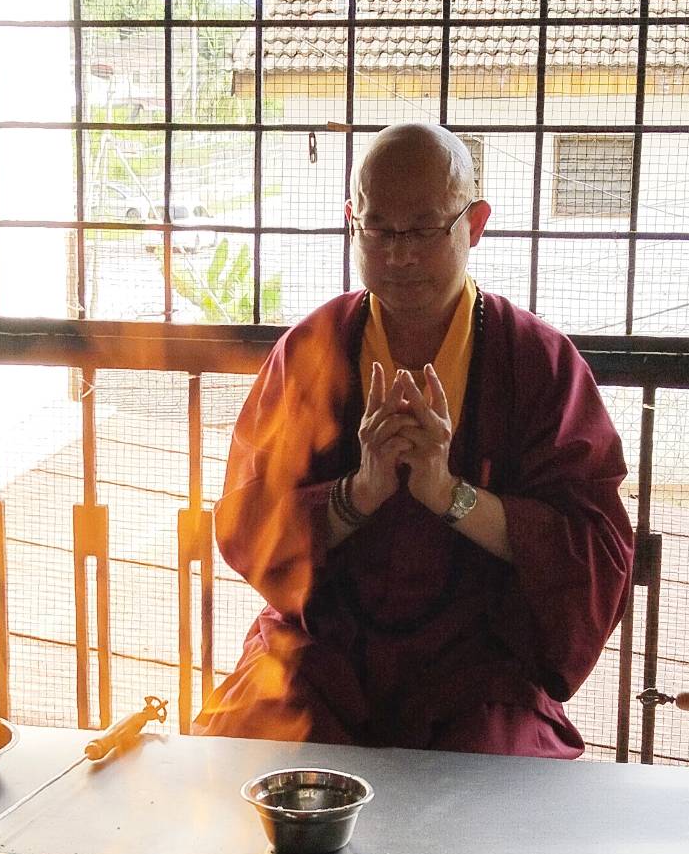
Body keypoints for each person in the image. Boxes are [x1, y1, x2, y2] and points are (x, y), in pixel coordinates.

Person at [196, 123, 633, 757]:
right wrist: (358, 493)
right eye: (378, 229)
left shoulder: (535, 362)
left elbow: (592, 550)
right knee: (243, 753)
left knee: (495, 779)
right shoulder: (311, 351)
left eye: (424, 230)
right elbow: (247, 523)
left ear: (474, 224)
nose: (399, 255)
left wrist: (450, 495)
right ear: (352, 222)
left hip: (478, 666)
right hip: (323, 652)